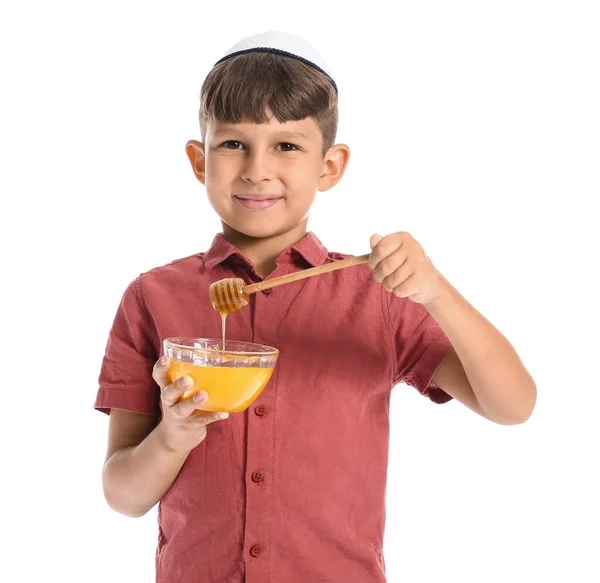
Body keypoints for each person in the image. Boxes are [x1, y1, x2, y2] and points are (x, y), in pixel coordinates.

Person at [95, 31, 537, 583]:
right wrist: (173, 436)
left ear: (330, 166)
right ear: (198, 159)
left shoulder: (378, 295)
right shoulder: (151, 298)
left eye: (286, 145)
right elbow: (123, 495)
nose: (257, 169)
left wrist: (436, 292)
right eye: (233, 144)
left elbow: (513, 405)